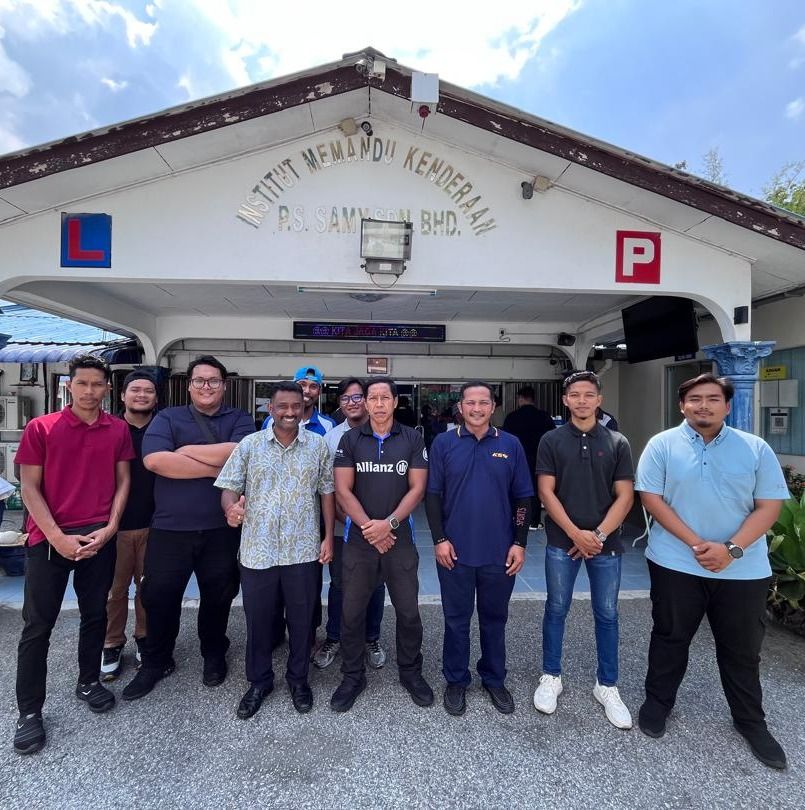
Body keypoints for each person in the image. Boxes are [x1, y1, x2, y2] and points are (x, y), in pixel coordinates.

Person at [635, 373, 789, 769]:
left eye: (712, 399)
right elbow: (652, 498)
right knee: (670, 637)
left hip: (742, 568)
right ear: (681, 404)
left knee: (741, 650)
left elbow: (769, 505)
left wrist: (732, 549)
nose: (703, 405)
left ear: (726, 404)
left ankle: (751, 722)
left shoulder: (755, 448)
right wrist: (696, 544)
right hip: (676, 562)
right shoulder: (662, 445)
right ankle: (657, 704)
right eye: (695, 399)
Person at [13, 354, 134, 755]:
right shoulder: (41, 427)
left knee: (95, 613)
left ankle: (89, 681)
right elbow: (29, 489)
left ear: (107, 388)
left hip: (99, 535)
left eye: (97, 385)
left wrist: (111, 527)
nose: (89, 391)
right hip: (48, 541)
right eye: (82, 384)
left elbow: (123, 482)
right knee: (38, 626)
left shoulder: (116, 429)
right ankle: (29, 711)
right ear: (69, 385)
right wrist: (58, 538)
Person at [122, 355, 254, 701]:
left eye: (213, 381)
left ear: (224, 385)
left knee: (219, 595)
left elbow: (242, 453)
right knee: (160, 596)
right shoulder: (168, 417)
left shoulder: (239, 419)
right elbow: (156, 461)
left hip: (220, 528)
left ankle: (213, 653)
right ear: (189, 385)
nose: (206, 386)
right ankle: (155, 661)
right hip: (170, 528)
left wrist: (185, 451)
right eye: (199, 381)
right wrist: (218, 469)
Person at [215, 382, 335, 717]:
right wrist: (230, 509)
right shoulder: (250, 445)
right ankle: (259, 681)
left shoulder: (318, 446)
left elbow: (327, 492)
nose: (290, 412)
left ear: (304, 407)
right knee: (259, 621)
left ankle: (299, 680)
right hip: (258, 551)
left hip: (302, 551)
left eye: (296, 406)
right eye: (283, 406)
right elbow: (228, 487)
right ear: (270, 408)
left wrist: (327, 537)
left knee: (301, 621)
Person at [534, 370, 635, 729]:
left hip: (605, 545)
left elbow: (625, 495)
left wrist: (598, 535)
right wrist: (576, 533)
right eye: (574, 395)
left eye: (588, 395)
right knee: (556, 608)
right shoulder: (551, 440)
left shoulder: (617, 442)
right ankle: (551, 676)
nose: (581, 401)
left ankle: (607, 685)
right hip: (564, 541)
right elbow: (546, 492)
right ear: (565, 400)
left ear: (599, 399)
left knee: (607, 613)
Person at [425, 381, 533, 716]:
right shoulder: (444, 443)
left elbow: (523, 498)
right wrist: (439, 539)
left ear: (493, 406)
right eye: (470, 403)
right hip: (454, 551)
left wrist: (519, 542)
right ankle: (456, 680)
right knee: (456, 620)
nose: (476, 409)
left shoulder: (510, 444)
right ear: (460, 406)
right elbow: (433, 496)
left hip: (499, 552)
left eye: (483, 402)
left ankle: (493, 678)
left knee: (494, 619)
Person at [330, 376, 432, 712]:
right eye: (371, 398)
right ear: (365, 403)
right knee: (351, 612)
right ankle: (352, 675)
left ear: (394, 402)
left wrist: (387, 525)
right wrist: (368, 527)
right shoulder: (350, 439)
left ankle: (410, 672)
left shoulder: (413, 438)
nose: (377, 403)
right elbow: (342, 490)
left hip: (399, 537)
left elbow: (417, 488)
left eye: (384, 397)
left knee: (408, 611)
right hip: (359, 540)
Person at [315, 377, 387, 671]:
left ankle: (372, 637)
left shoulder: (387, 434)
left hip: (381, 527)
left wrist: (377, 525)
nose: (352, 403)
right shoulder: (331, 438)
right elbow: (328, 488)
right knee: (340, 584)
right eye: (345, 398)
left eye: (358, 397)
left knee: (376, 583)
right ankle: (334, 637)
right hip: (343, 525)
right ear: (339, 404)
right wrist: (350, 522)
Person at [101, 371, 158, 681]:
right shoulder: (108, 427)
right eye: (135, 390)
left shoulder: (162, 428)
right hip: (114, 525)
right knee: (114, 590)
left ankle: (145, 639)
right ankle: (111, 643)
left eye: (148, 391)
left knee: (147, 588)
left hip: (154, 523)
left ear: (156, 398)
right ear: (122, 395)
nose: (141, 395)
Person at [503, 385, 555, 529]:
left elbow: (505, 440)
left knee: (518, 490)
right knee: (539, 490)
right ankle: (534, 521)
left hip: (517, 459)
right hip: (541, 459)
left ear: (520, 398)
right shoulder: (544, 417)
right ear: (533, 399)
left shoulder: (512, 417)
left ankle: (518, 519)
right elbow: (553, 438)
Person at [262, 365, 336, 436]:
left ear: (319, 391)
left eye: (313, 386)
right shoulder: (271, 420)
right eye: (302, 385)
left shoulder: (328, 425)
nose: (307, 391)